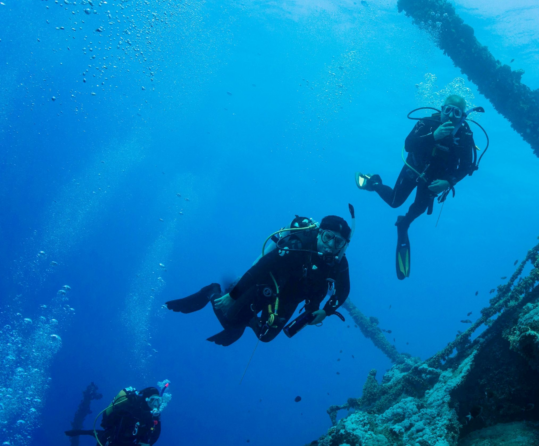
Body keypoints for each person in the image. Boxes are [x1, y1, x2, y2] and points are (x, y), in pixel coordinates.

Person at [165, 212, 353, 346]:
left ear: (343, 245)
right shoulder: (297, 246)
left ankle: (244, 318)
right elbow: (261, 267)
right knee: (231, 322)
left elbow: (343, 290)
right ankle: (212, 292)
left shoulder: (339, 263)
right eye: (328, 237)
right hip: (266, 285)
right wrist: (233, 295)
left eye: (338, 242)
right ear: (320, 232)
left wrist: (326, 311)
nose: (330, 245)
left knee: (265, 337)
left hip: (290, 297)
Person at [356, 95, 479, 280]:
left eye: (457, 112)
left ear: (462, 115)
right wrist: (433, 136)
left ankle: (404, 223)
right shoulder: (427, 123)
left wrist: (448, 182)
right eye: (447, 110)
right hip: (414, 169)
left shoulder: (465, 135)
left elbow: (467, 167)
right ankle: (374, 183)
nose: (451, 115)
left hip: (435, 181)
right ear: (442, 109)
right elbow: (408, 145)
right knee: (395, 202)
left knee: (418, 209)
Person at [65, 381, 170, 446]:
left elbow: (153, 438)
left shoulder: (152, 416)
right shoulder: (130, 408)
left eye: (158, 401)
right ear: (146, 399)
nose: (155, 405)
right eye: (153, 400)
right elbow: (120, 435)